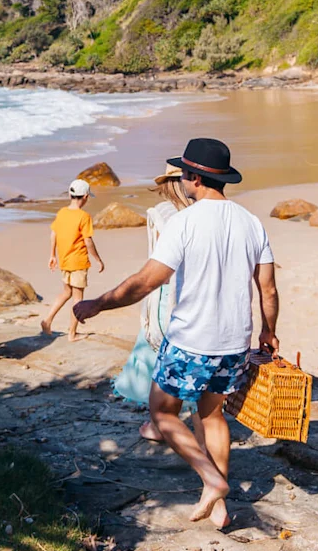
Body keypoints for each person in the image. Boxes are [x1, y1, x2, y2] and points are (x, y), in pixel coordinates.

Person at [74, 138, 277, 528]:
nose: (182, 179)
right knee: (213, 415)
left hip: (190, 341)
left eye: (184, 172)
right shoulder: (251, 222)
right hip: (235, 342)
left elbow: (147, 282)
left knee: (162, 413)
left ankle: (212, 479)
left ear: (194, 178)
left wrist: (99, 303)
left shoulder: (183, 222)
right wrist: (268, 331)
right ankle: (217, 507)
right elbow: (267, 287)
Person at [112, 165, 194, 441]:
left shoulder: (164, 214)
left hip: (165, 292)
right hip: (195, 295)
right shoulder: (200, 214)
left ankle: (160, 424)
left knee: (159, 357)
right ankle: (191, 421)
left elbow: (157, 262)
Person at [41, 178, 104, 342]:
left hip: (65, 260)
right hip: (78, 262)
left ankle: (47, 321)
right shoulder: (84, 216)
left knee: (66, 292)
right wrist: (98, 260)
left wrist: (52, 255)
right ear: (85, 197)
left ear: (70, 194)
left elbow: (53, 234)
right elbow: (88, 241)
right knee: (77, 299)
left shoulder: (62, 212)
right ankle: (72, 334)